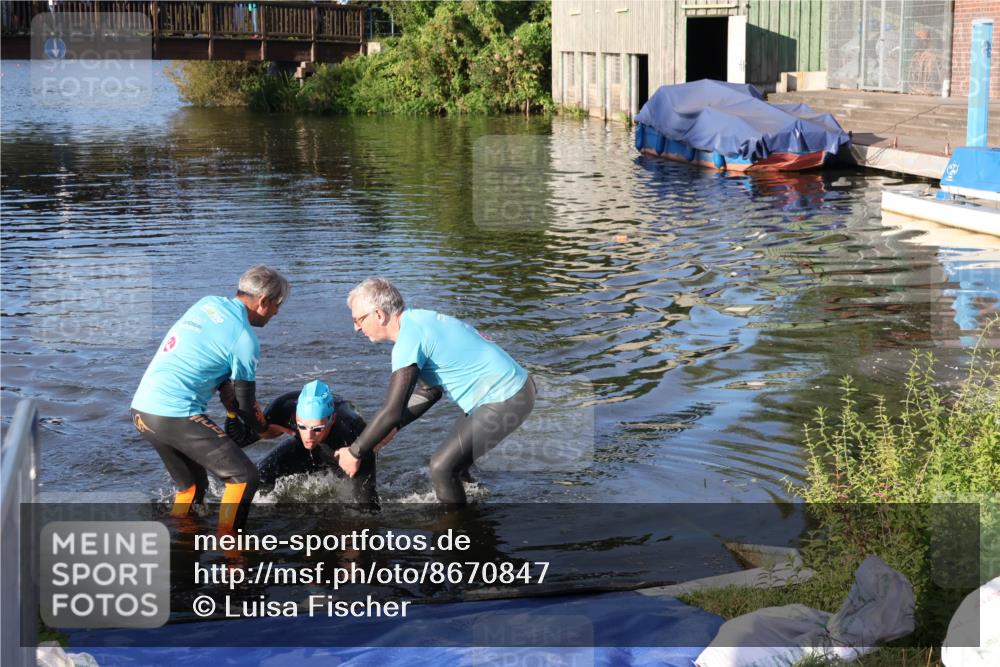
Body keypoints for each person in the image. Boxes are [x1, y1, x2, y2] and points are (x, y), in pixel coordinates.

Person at [335, 277, 535, 506]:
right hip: (511, 391)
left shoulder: (408, 340)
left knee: (442, 468)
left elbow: (391, 410)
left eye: (358, 319)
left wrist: (355, 452)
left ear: (379, 315)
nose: (356, 328)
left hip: (506, 397)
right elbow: (430, 391)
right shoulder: (417, 320)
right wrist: (395, 427)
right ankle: (475, 510)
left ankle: (454, 532)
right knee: (455, 467)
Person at [130, 265, 292, 534]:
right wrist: (265, 430)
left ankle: (181, 540)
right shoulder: (245, 338)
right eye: (277, 305)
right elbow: (244, 405)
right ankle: (230, 551)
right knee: (244, 478)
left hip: (142, 410)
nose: (277, 312)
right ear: (263, 301)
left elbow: (200, 348)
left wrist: (223, 384)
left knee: (193, 486)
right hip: (175, 414)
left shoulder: (207, 303)